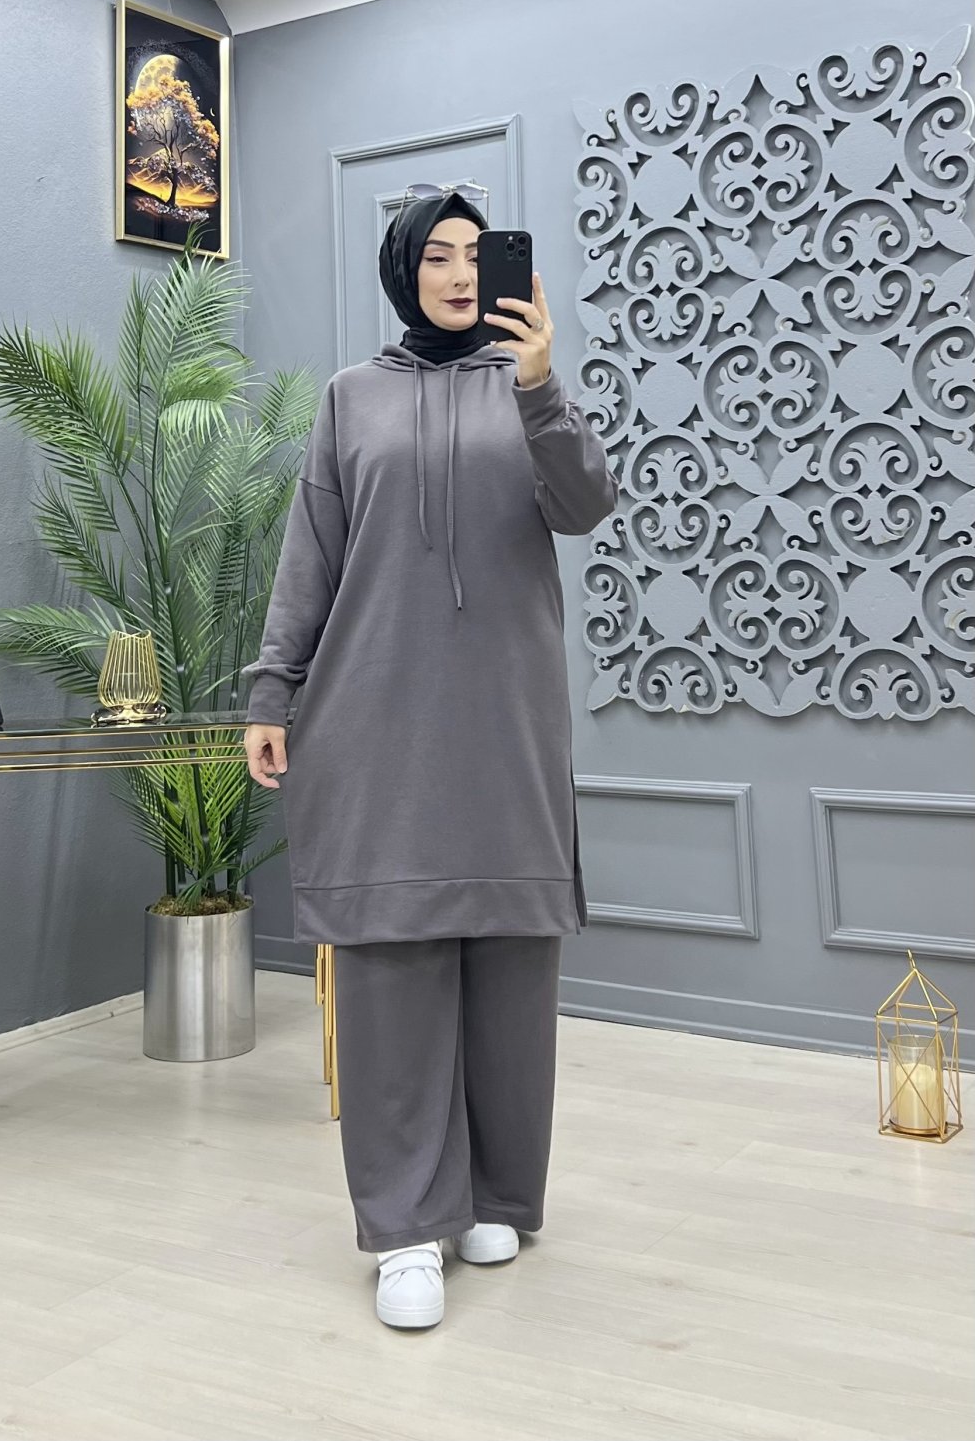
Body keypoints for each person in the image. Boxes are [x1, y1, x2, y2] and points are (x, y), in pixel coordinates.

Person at [244, 185, 618, 1329]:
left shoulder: (526, 384)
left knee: (510, 961)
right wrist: (271, 686)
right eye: (437, 256)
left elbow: (585, 504)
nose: (459, 274)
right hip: (375, 716)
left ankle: (497, 1191)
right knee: (390, 963)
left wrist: (540, 385)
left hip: (505, 720)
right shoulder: (350, 397)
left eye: (476, 255)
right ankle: (406, 1223)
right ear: (402, 269)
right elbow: (311, 551)